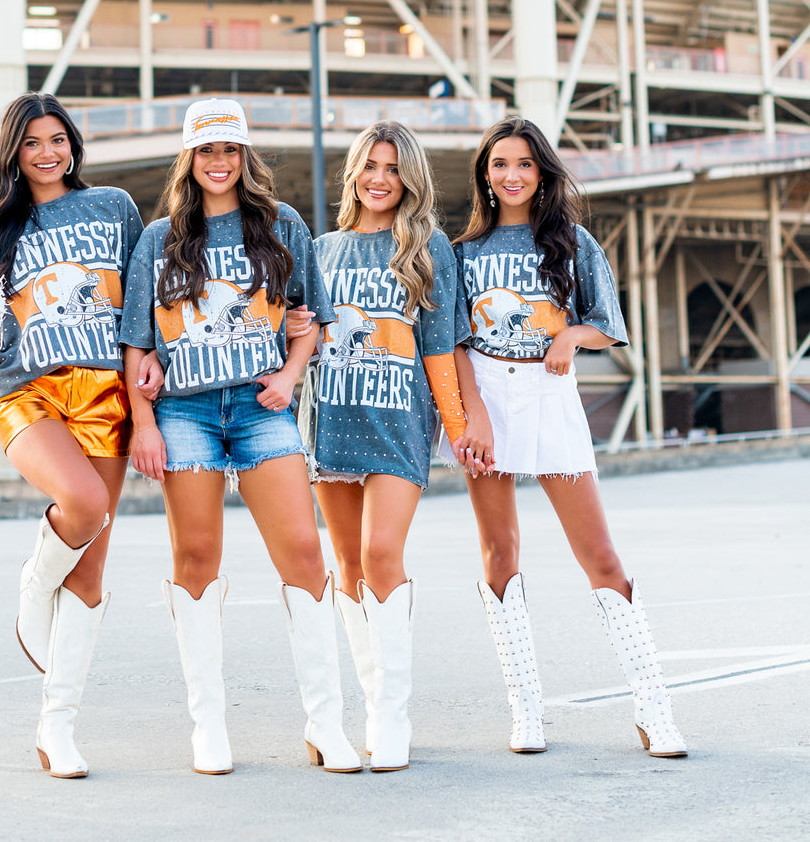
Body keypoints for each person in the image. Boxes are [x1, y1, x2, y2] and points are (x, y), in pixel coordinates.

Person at [119, 97, 360, 776]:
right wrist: (143, 426)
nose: (218, 162)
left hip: (261, 411)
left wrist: (288, 376)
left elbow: (311, 317)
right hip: (186, 414)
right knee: (196, 558)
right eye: (206, 150)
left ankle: (326, 726)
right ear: (189, 159)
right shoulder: (158, 239)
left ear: (245, 156)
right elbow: (138, 348)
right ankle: (208, 728)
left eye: (230, 150)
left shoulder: (282, 227)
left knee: (305, 556)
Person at [451, 115, 687, 758]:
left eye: (524, 163)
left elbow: (606, 323)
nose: (512, 175)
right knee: (500, 555)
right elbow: (454, 345)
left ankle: (653, 708)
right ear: (485, 176)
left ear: (542, 171)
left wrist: (569, 336)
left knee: (601, 557)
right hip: (488, 401)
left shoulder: (573, 242)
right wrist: (475, 416)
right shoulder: (462, 253)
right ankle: (526, 712)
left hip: (550, 397)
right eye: (500, 164)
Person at [0, 91, 147, 779]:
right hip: (25, 389)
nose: (47, 153)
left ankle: (56, 726)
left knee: (92, 573)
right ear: (14, 153)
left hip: (106, 393)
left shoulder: (115, 208)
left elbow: (142, 300)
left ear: (73, 144)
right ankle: (35, 584)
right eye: (32, 142)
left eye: (57, 139)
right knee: (84, 505)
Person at [293, 121, 471, 772]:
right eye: (369, 165)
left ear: (409, 179)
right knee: (346, 561)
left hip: (399, 422)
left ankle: (391, 715)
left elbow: (440, 349)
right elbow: (299, 339)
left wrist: (457, 429)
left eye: (392, 168)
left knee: (379, 551)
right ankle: (371, 707)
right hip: (332, 418)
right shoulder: (320, 250)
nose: (379, 178)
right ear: (353, 174)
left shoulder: (428, 249)